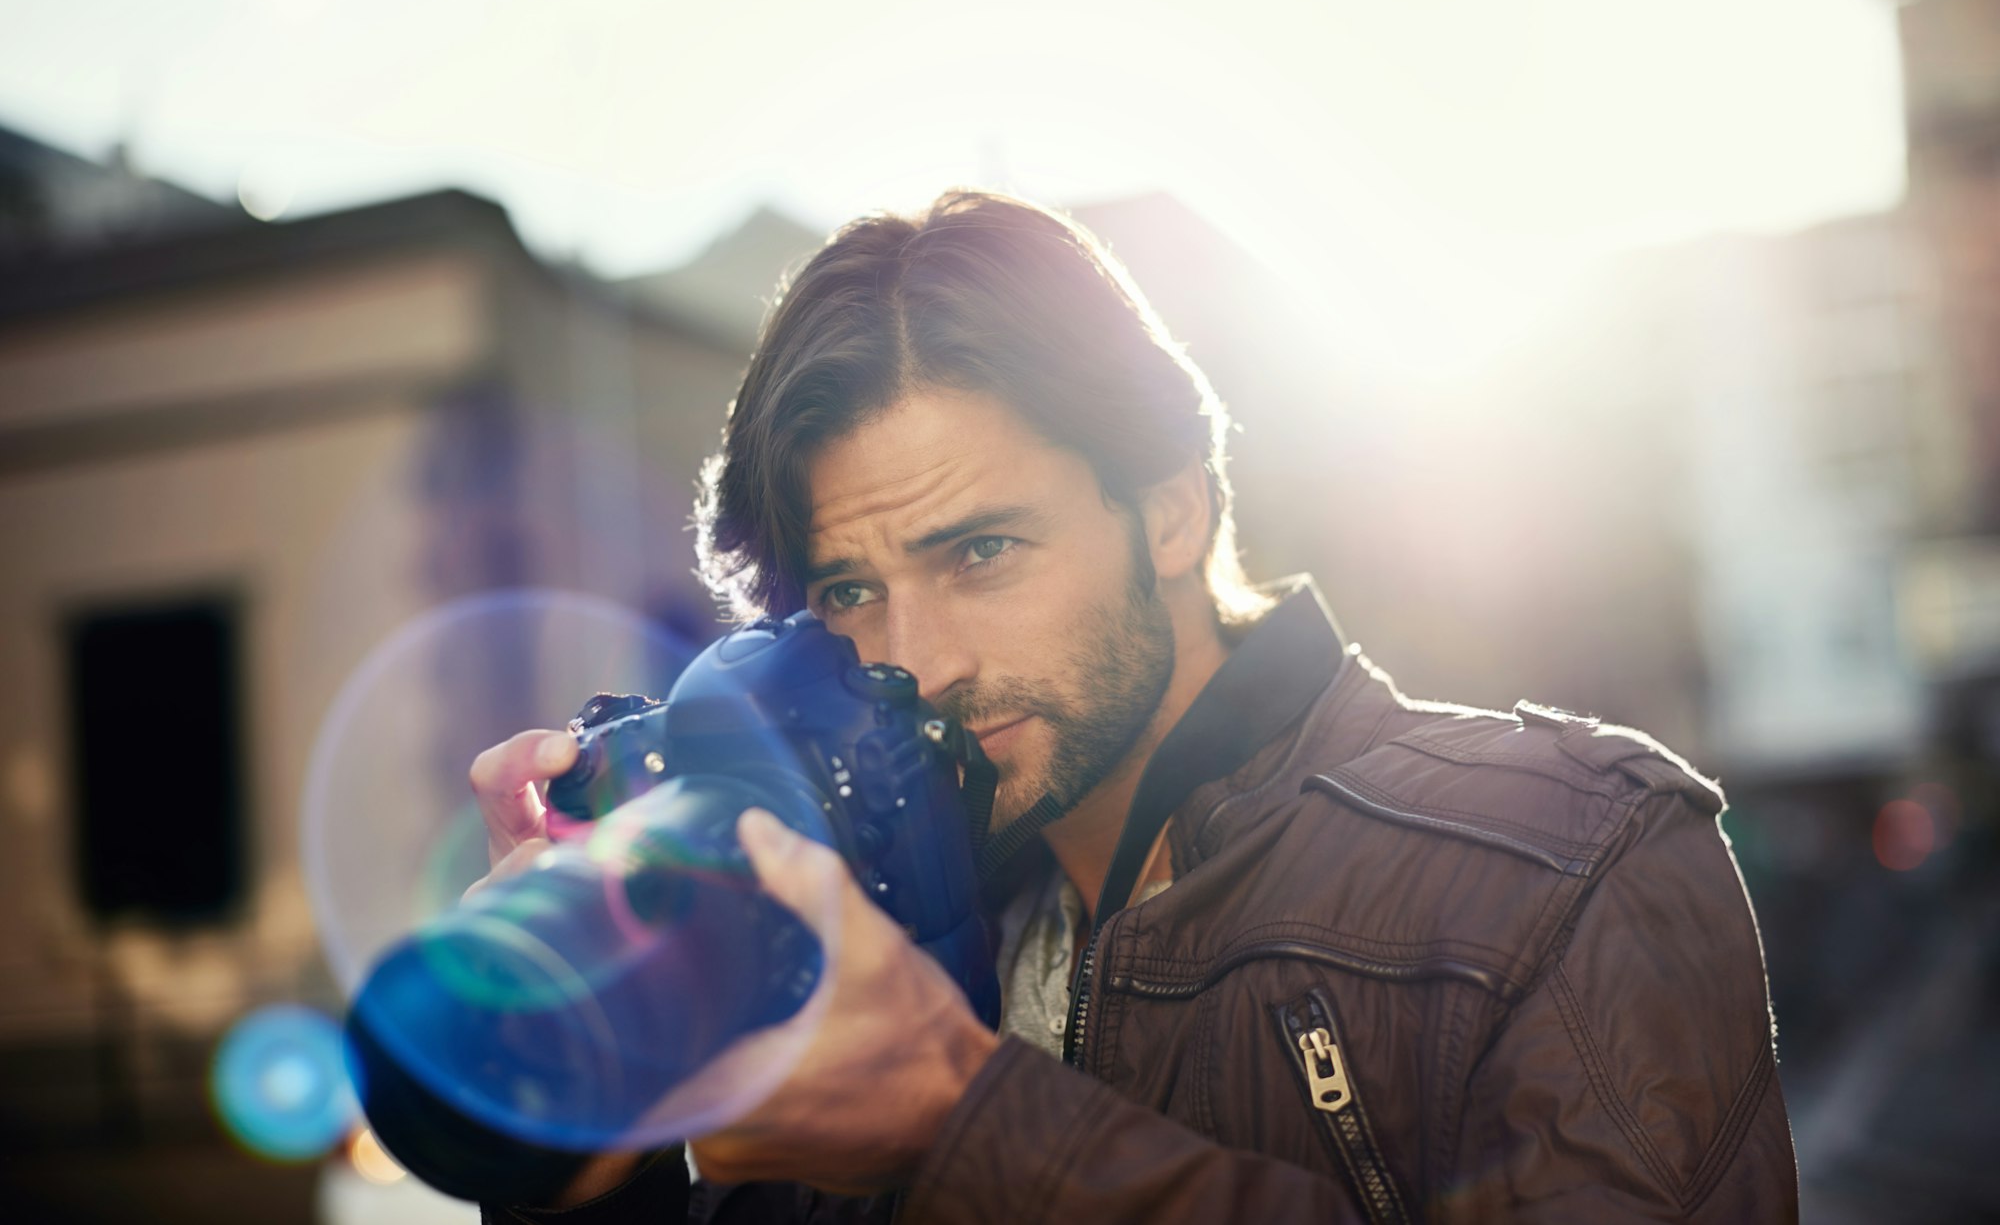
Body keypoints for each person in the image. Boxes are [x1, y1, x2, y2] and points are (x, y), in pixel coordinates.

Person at [470, 191, 1799, 1223]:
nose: (916, 660)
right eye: (848, 591)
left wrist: (965, 1129)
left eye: (980, 552)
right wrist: (579, 1122)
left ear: (1173, 509)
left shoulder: (1566, 871)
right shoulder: (852, 913)